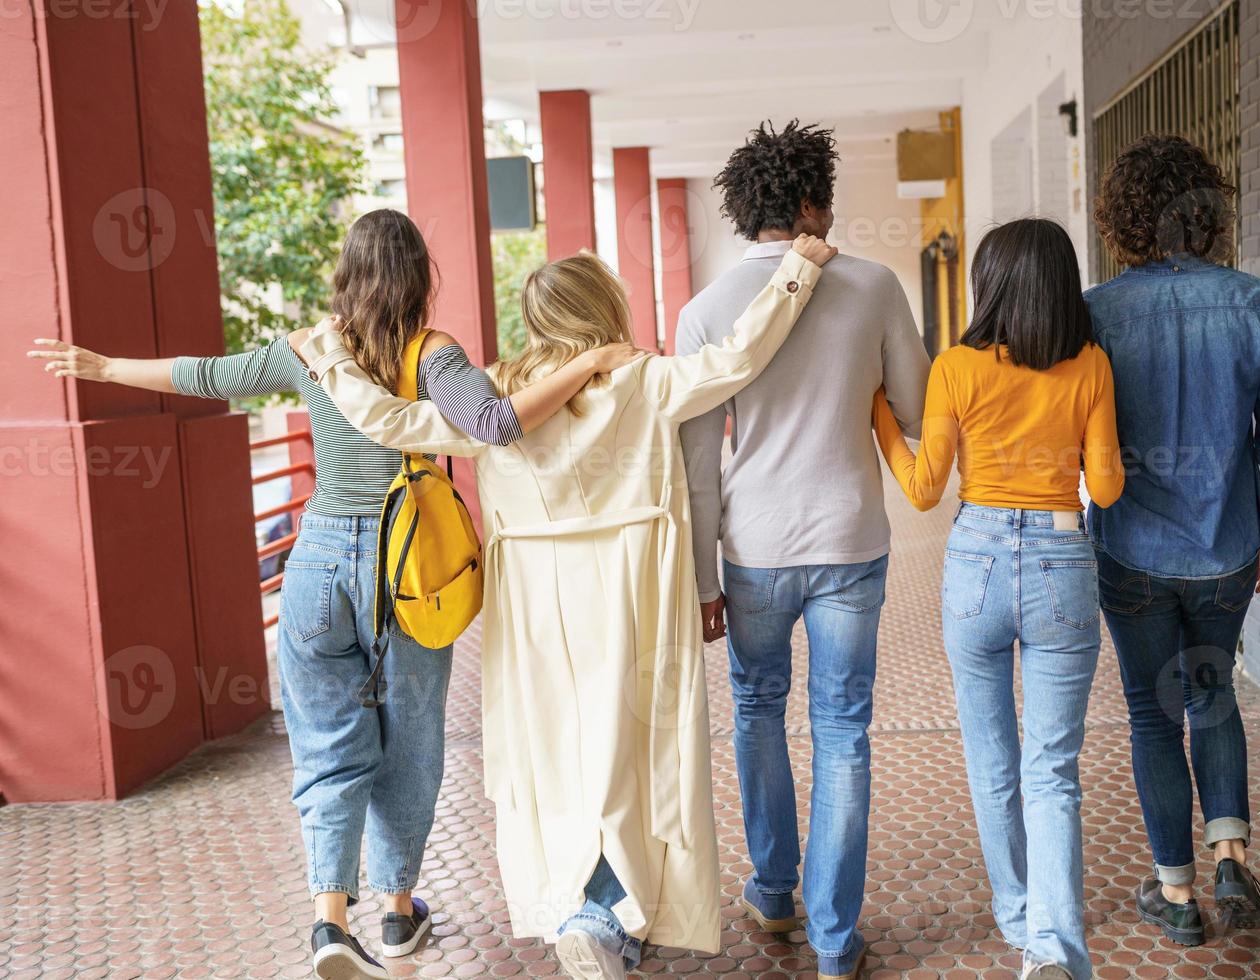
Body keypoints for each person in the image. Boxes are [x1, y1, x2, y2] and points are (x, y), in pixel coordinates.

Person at [27, 209, 639, 980]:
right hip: (406, 572)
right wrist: (591, 364)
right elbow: (494, 423)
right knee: (410, 743)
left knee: (326, 747)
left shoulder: (311, 350)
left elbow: (207, 376)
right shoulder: (434, 353)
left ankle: (328, 924)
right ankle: (397, 912)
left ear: (345, 276)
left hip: (316, 566)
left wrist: (107, 366)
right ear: (421, 276)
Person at [291, 234, 839, 980]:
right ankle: (606, 915)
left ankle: (588, 909)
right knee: (634, 755)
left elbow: (396, 422)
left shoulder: (496, 394)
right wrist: (796, 273)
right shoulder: (642, 379)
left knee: (552, 755)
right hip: (630, 591)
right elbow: (739, 357)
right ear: (605, 308)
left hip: (534, 608)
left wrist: (330, 362)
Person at [676, 120, 931, 980]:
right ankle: (833, 939)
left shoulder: (705, 311)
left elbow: (698, 464)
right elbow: (918, 405)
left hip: (752, 551)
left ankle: (775, 892)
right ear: (815, 200)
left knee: (756, 710)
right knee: (843, 731)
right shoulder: (874, 286)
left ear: (745, 211)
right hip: (850, 538)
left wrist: (705, 579)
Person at [873, 218, 1123, 980]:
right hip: (1060, 562)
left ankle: (1018, 918)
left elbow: (922, 492)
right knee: (1053, 768)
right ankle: (1052, 949)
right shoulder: (1091, 365)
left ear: (989, 284)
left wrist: (880, 412)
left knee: (992, 760)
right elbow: (1108, 486)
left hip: (975, 563)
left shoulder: (955, 367)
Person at [1086, 134, 1260, 945]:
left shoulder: (1096, 310)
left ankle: (1177, 899)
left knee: (1151, 714)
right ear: (1208, 210)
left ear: (1126, 218)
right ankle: (1230, 853)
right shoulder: (1257, 302)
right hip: (1227, 550)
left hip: (1131, 550)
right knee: (1213, 694)